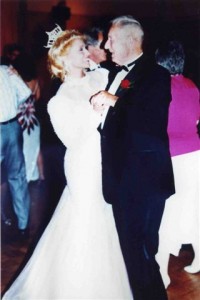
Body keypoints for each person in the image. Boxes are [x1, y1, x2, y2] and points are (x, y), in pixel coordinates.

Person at [2, 29, 133, 299]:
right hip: (83, 165)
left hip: (106, 159)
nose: (88, 53)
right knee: (86, 219)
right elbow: (73, 139)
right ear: (64, 59)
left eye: (86, 49)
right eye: (80, 51)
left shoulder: (100, 76)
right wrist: (94, 110)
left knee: (105, 218)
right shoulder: (59, 101)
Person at [91, 15, 175, 300]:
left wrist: (114, 101)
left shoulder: (156, 75)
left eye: (112, 40)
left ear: (130, 41)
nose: (107, 45)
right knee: (133, 255)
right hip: (124, 180)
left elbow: (148, 120)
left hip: (144, 182)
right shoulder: (119, 73)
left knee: (141, 255)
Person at [155, 41, 200, 288]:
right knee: (193, 209)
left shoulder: (160, 87)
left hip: (171, 157)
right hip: (195, 154)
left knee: (167, 214)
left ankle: (162, 271)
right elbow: (195, 119)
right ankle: (199, 257)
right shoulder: (192, 84)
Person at [0, 65, 31, 240]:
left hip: (11, 128)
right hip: (12, 126)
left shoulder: (6, 70)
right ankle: (23, 225)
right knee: (17, 177)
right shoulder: (6, 70)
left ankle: (23, 224)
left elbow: (25, 92)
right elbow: (25, 93)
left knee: (17, 176)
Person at [12, 53, 45, 182]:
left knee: (22, 149)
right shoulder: (36, 81)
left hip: (20, 121)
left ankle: (25, 176)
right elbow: (37, 98)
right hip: (33, 121)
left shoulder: (16, 82)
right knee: (37, 149)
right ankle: (41, 175)